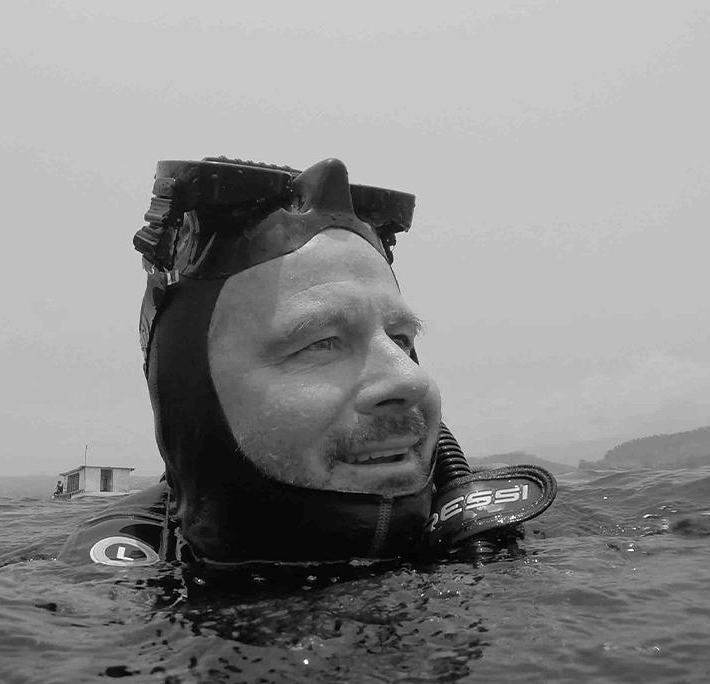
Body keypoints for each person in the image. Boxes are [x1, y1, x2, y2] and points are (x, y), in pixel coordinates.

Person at [59, 157, 556, 568]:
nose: (410, 378)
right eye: (321, 343)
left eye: (401, 339)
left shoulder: (516, 545)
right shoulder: (85, 619)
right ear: (190, 394)